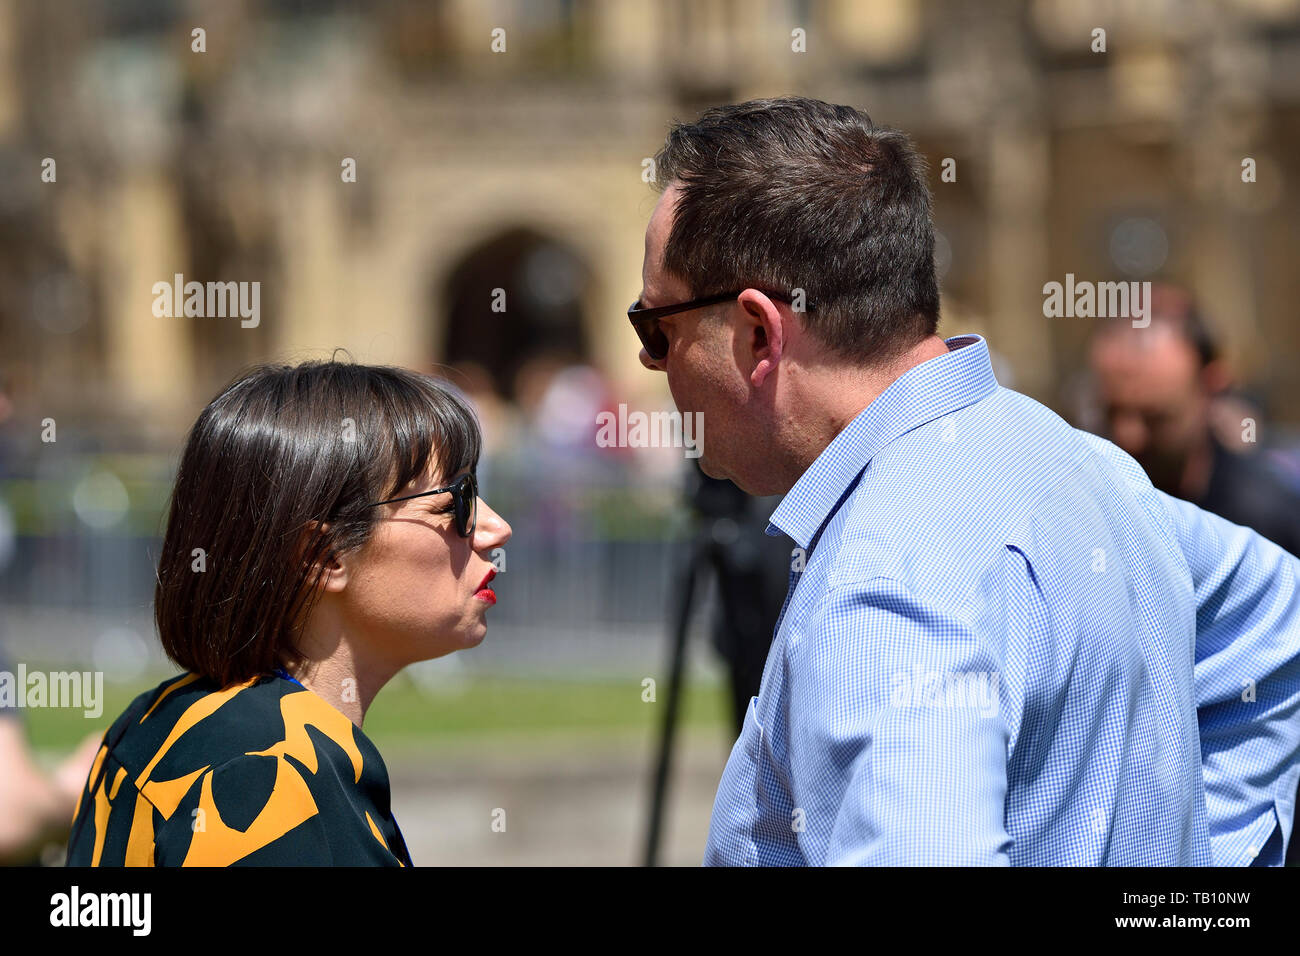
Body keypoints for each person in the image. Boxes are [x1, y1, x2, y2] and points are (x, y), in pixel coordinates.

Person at [628, 96, 1300, 865]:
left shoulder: (885, 582)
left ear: (756, 331)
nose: (654, 365)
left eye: (659, 329)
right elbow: (1280, 633)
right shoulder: (1077, 460)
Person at [66, 361, 511, 866]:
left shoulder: (157, 718)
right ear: (324, 557)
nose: (497, 528)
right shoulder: (276, 781)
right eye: (457, 501)